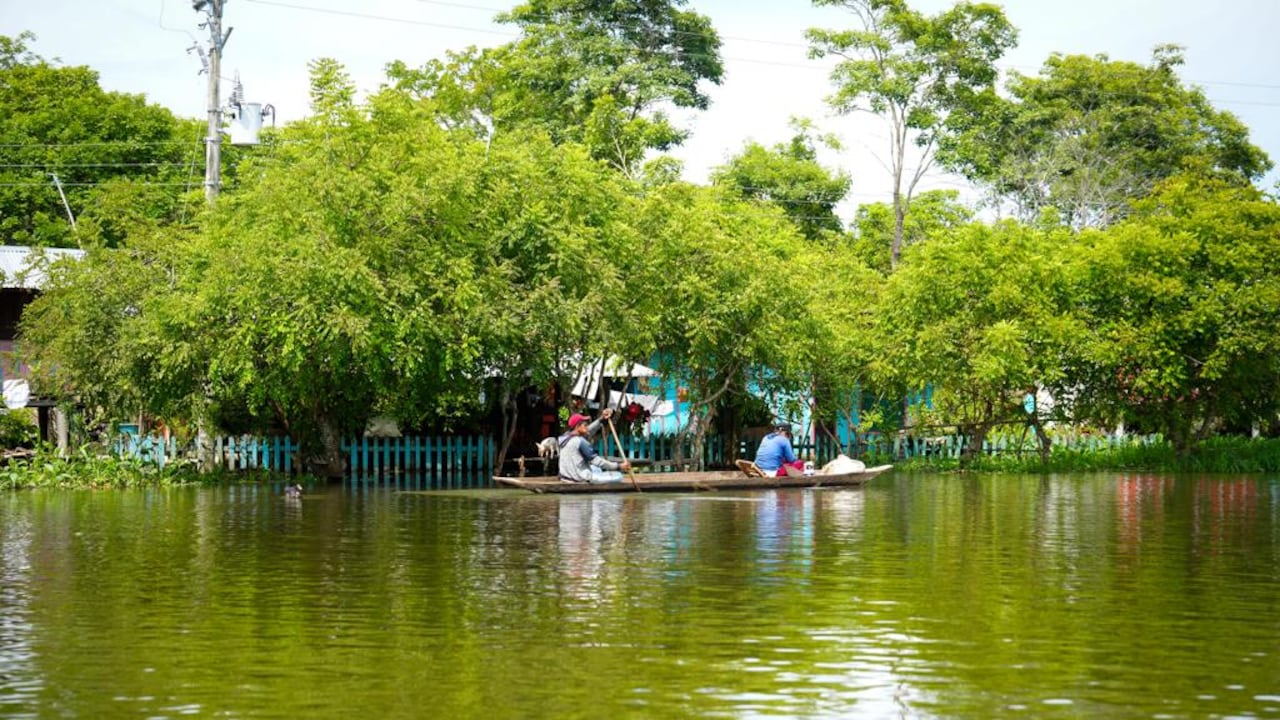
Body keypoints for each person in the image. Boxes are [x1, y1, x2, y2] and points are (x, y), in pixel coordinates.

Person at [557, 408, 631, 483]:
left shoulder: (564, 437)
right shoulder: (580, 441)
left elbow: (589, 430)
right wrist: (618, 466)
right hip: (578, 478)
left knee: (596, 469)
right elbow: (597, 461)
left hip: (565, 477)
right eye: (585, 425)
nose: (587, 427)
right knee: (619, 476)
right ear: (577, 427)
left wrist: (601, 418)